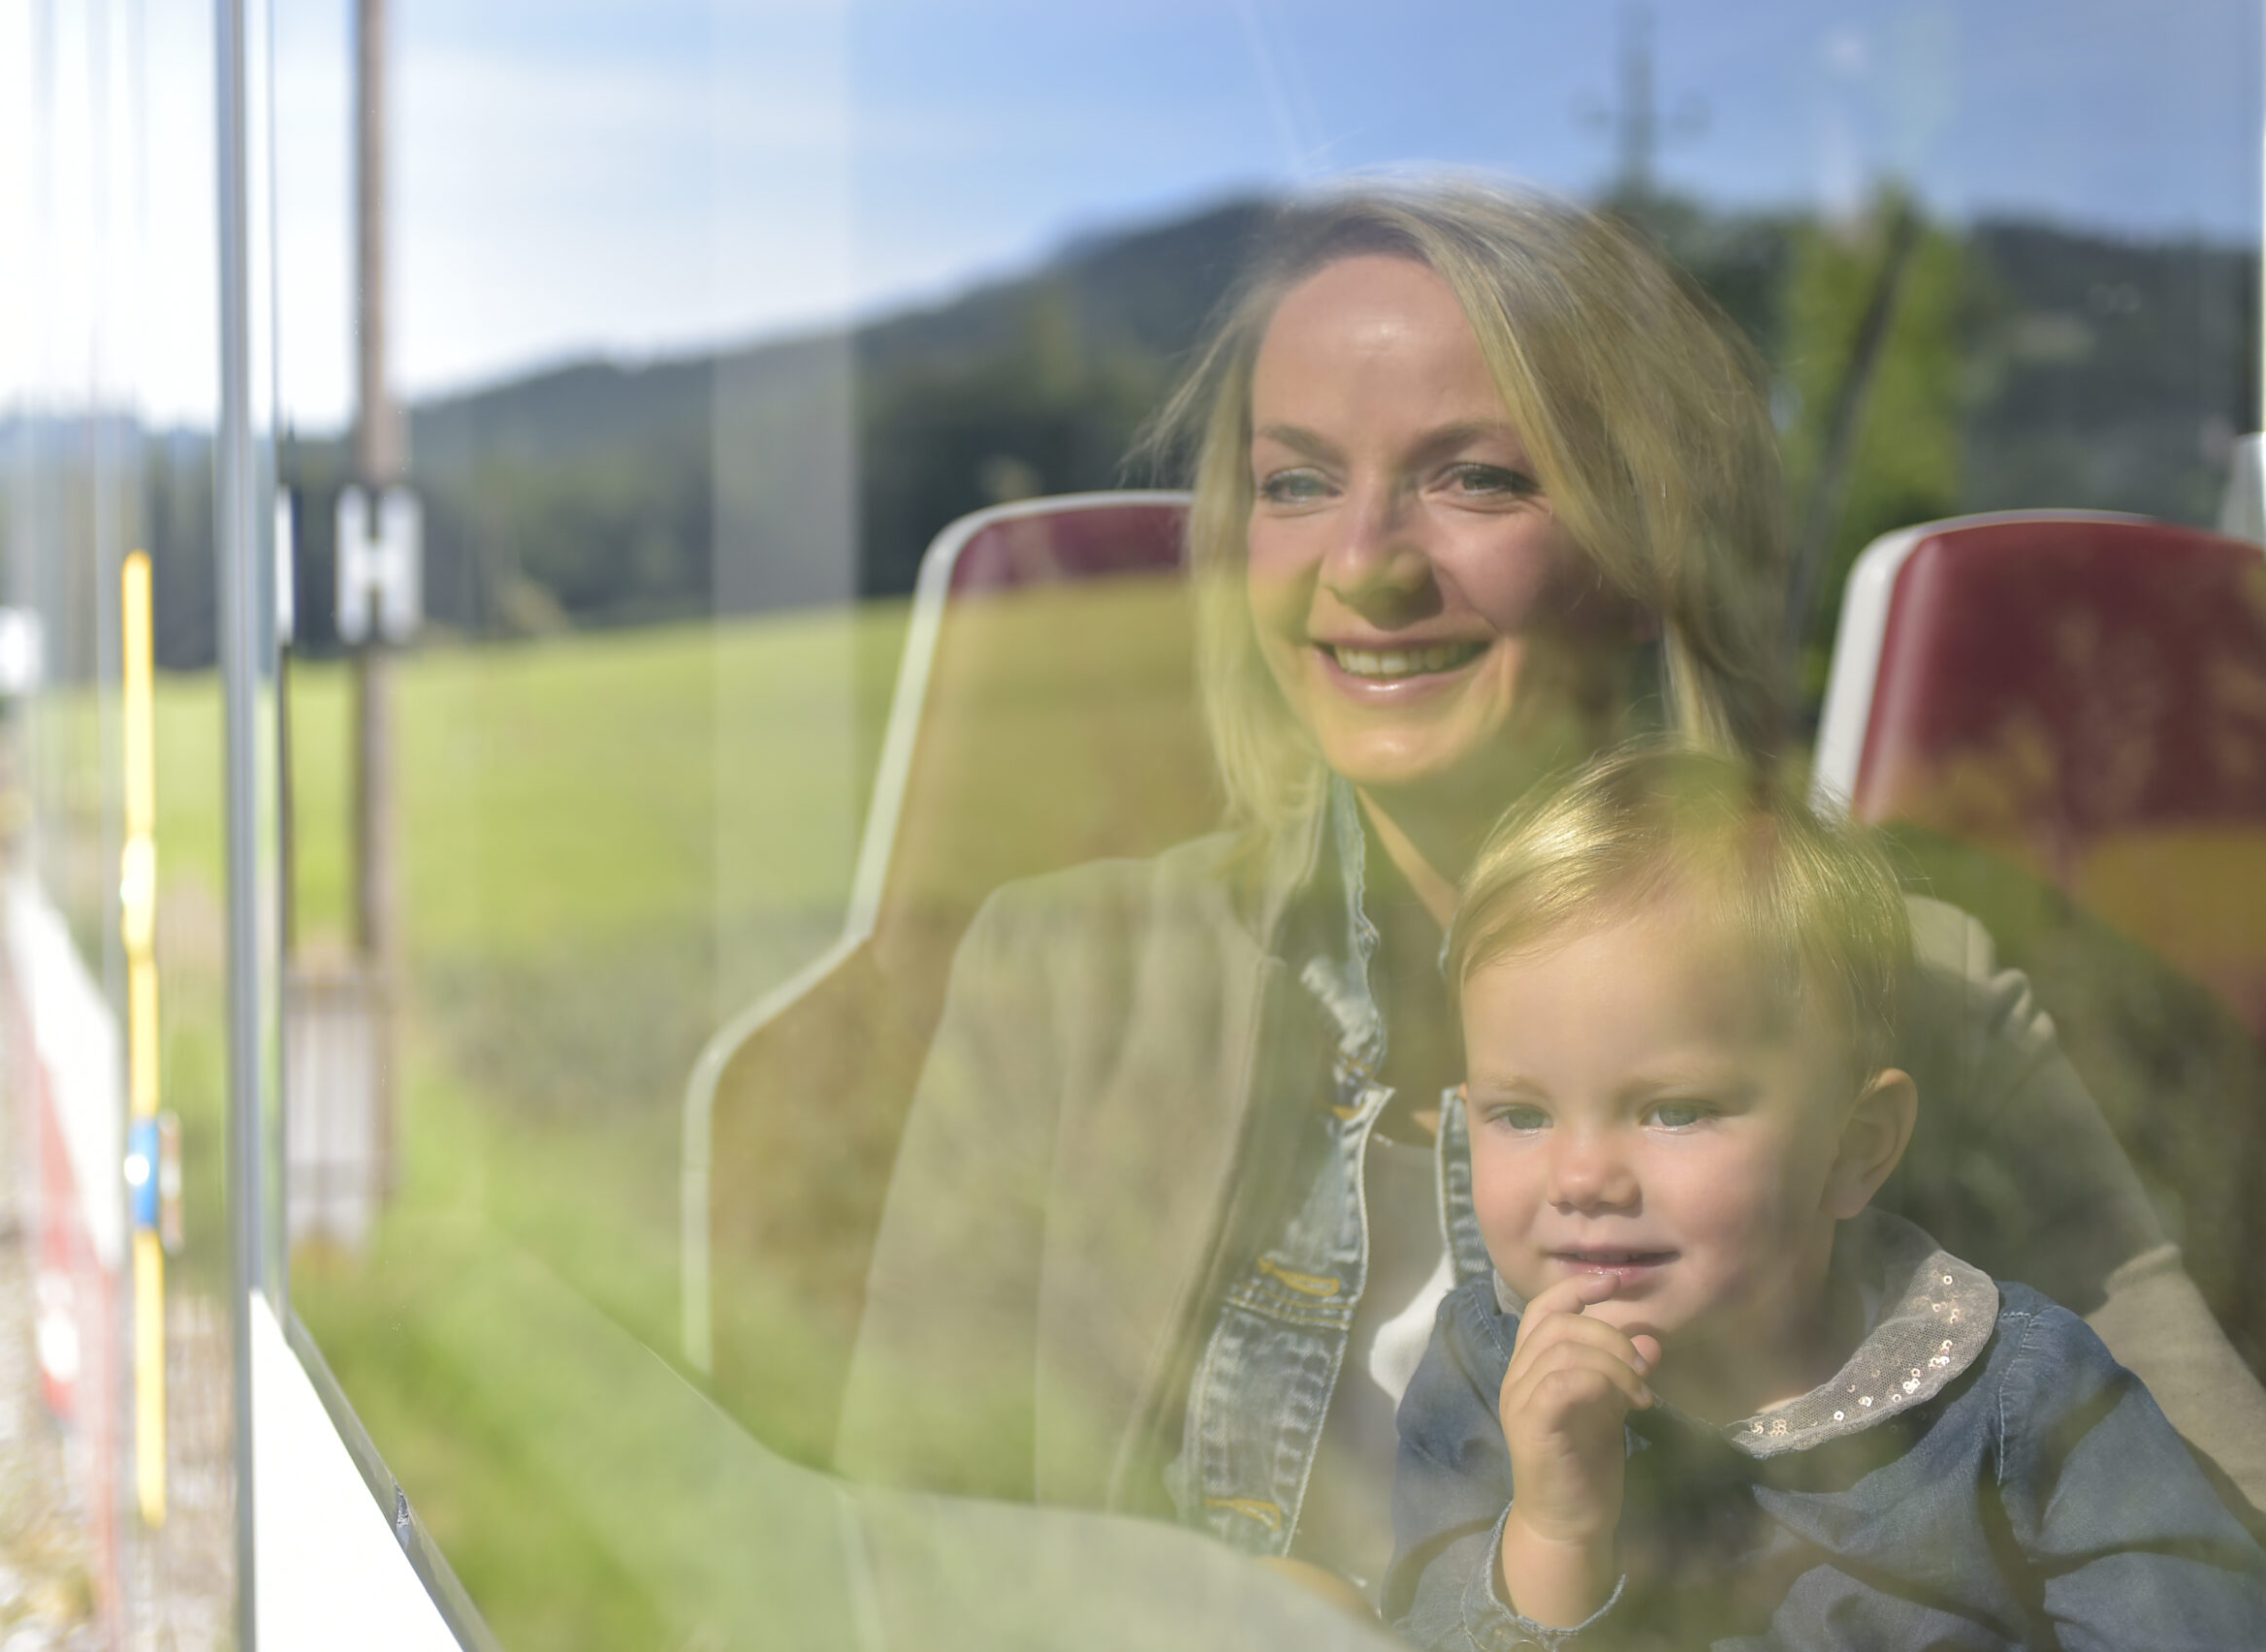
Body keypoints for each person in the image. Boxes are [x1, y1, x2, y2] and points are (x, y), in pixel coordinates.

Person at [833, 180, 2266, 1604]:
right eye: (1297, 483)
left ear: (1651, 550)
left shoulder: (1914, 984)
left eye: (1478, 478)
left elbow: (2215, 1515)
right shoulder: (1063, 975)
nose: (1364, 566)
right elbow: (893, 1556)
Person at [1386, 745, 2266, 1648]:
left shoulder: (2009, 1395)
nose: (1581, 1179)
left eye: (1675, 1110)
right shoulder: (1484, 1379)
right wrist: (1555, 1532)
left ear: (1855, 1148)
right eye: (1521, 1115)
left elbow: (2199, 1618)